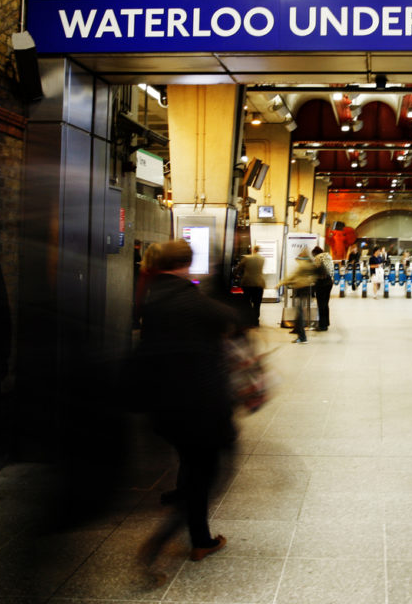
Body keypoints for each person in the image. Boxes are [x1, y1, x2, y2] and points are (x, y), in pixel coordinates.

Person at [136, 239, 242, 577]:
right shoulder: (194, 301)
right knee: (210, 473)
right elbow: (235, 318)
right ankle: (169, 539)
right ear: (187, 264)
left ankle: (199, 534)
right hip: (203, 406)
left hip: (165, 405)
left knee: (191, 463)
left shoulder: (152, 301)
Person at [279, 250, 317, 343]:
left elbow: (292, 276)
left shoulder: (302, 266)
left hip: (301, 289)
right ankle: (297, 329)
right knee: (299, 311)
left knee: (299, 313)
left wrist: (281, 283)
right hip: (305, 289)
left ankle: (302, 337)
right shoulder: (309, 265)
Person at [238, 245, 265, 326]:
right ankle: (255, 320)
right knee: (257, 302)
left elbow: (239, 268)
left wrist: (236, 274)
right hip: (259, 283)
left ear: (253, 250)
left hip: (248, 283)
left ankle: (248, 318)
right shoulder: (262, 259)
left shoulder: (247, 258)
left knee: (246, 301)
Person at [312, 245, 334, 331]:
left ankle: (322, 325)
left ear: (315, 253)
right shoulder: (328, 256)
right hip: (329, 281)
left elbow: (316, 269)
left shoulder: (318, 257)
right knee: (325, 303)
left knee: (321, 304)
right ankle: (326, 323)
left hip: (322, 282)